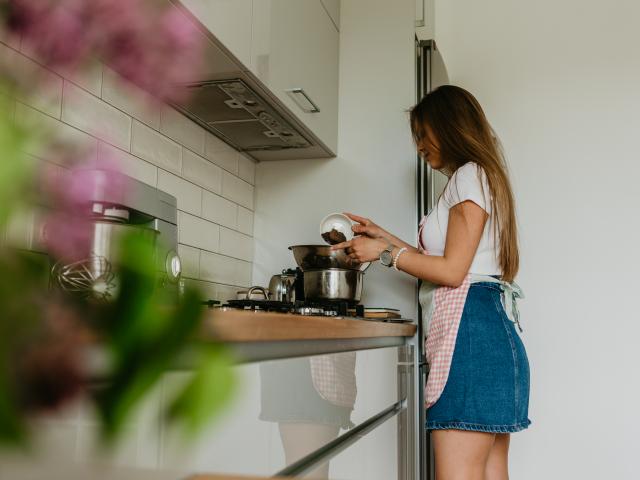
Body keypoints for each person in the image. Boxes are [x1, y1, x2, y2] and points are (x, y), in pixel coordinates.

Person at [331, 85, 531, 480]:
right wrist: (384, 238)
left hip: (470, 337)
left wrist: (384, 255)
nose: (419, 145)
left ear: (450, 126)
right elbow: (450, 261)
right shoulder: (480, 176)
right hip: (489, 334)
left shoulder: (468, 176)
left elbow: (453, 271)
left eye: (424, 133)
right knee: (491, 472)